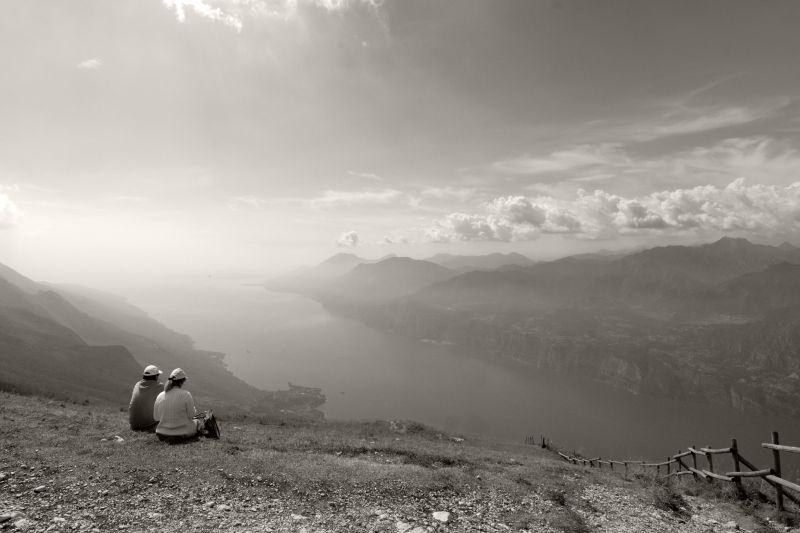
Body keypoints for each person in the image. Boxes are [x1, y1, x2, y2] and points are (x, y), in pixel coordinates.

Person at [153, 368, 207, 442]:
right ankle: (202, 431)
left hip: (161, 432)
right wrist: (194, 409)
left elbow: (156, 417)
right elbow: (191, 415)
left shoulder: (160, 395)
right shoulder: (186, 394)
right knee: (197, 421)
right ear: (182, 381)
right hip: (182, 432)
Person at [128, 364, 163, 431]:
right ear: (156, 376)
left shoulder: (137, 384)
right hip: (149, 426)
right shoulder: (160, 386)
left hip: (133, 425)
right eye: (158, 375)